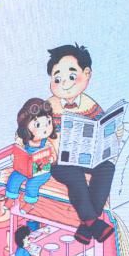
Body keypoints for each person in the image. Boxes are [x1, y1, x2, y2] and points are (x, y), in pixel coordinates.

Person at [43, 44, 115, 245]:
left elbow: (102, 128)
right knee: (75, 177)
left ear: (87, 74)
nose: (64, 83)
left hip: (85, 157)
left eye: (72, 76)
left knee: (107, 167)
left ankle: (87, 225)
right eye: (57, 79)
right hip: (60, 161)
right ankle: (92, 222)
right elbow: (35, 130)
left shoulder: (90, 104)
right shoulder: (48, 105)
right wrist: (49, 148)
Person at [6, 98, 55, 205]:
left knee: (32, 184)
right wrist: (15, 157)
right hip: (24, 169)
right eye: (38, 125)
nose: (45, 129)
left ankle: (29, 204)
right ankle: (10, 198)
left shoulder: (46, 143)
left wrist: (51, 159)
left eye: (48, 122)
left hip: (42, 171)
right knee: (14, 178)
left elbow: (52, 155)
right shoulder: (24, 141)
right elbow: (17, 150)